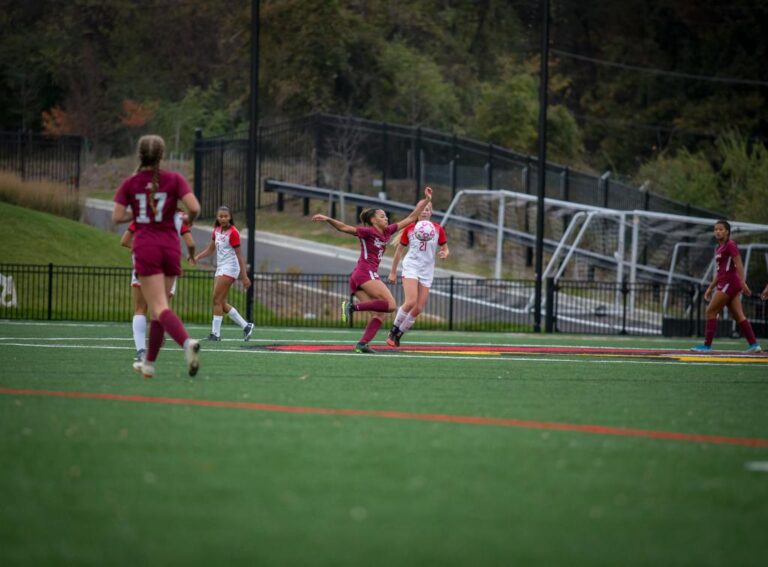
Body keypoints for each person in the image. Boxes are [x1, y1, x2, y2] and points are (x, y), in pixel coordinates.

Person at [112, 134, 202, 378]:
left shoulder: (131, 183)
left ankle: (187, 344)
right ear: (162, 156)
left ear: (140, 155)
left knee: (158, 307)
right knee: (158, 311)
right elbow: (194, 208)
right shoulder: (174, 179)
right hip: (171, 246)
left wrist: (139, 213)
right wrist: (187, 220)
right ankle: (149, 364)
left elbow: (117, 217)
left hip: (147, 247)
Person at [311, 186, 433, 353]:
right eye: (382, 216)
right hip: (364, 273)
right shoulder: (367, 232)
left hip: (359, 277)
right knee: (390, 305)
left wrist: (426, 200)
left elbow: (412, 218)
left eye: (386, 216)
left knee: (379, 314)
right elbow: (344, 228)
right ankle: (351, 307)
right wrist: (328, 219)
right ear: (374, 220)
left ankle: (362, 344)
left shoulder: (387, 231)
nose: (386, 218)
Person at [121, 210, 197, 361]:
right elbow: (190, 242)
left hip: (144, 259)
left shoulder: (142, 211)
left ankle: (141, 352)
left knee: (140, 308)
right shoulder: (177, 215)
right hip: (168, 259)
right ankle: (181, 342)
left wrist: (138, 249)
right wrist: (192, 256)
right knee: (161, 310)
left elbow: (124, 240)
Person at [690, 220, 761, 353]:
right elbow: (720, 272)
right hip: (726, 283)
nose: (717, 231)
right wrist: (710, 288)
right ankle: (754, 345)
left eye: (721, 229)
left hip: (730, 283)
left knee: (710, 311)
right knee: (739, 315)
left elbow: (739, 264)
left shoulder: (730, 245)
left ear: (727, 232)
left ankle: (707, 346)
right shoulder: (719, 248)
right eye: (716, 229)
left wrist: (743, 282)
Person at [386, 202, 449, 347]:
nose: (425, 212)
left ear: (431, 212)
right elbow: (399, 252)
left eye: (427, 210)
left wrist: (444, 254)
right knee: (411, 302)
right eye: (422, 209)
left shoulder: (438, 229)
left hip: (427, 270)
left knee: (418, 308)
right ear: (417, 212)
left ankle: (399, 334)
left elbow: (446, 249)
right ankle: (392, 331)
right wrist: (393, 272)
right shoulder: (410, 229)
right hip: (411, 266)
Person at [194, 206, 253, 341]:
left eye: (226, 216)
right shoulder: (216, 231)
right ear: (217, 217)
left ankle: (216, 334)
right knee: (221, 302)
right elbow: (210, 250)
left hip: (231, 268)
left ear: (230, 217)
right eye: (220, 216)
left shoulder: (233, 233)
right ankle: (246, 326)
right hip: (221, 268)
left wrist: (244, 277)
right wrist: (197, 257)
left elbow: (240, 256)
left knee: (216, 299)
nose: (223, 218)